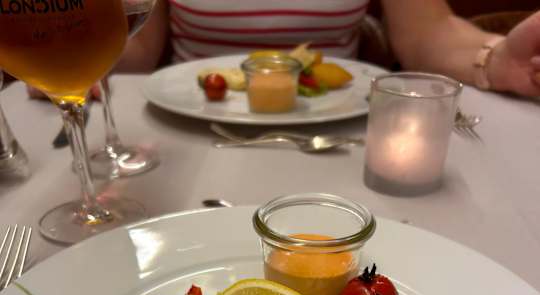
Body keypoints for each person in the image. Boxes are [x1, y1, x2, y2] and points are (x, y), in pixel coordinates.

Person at [117, 0, 540, 97]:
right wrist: (80, 62)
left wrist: (496, 59)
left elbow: (428, 32)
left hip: (338, 136)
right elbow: (137, 49)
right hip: (188, 124)